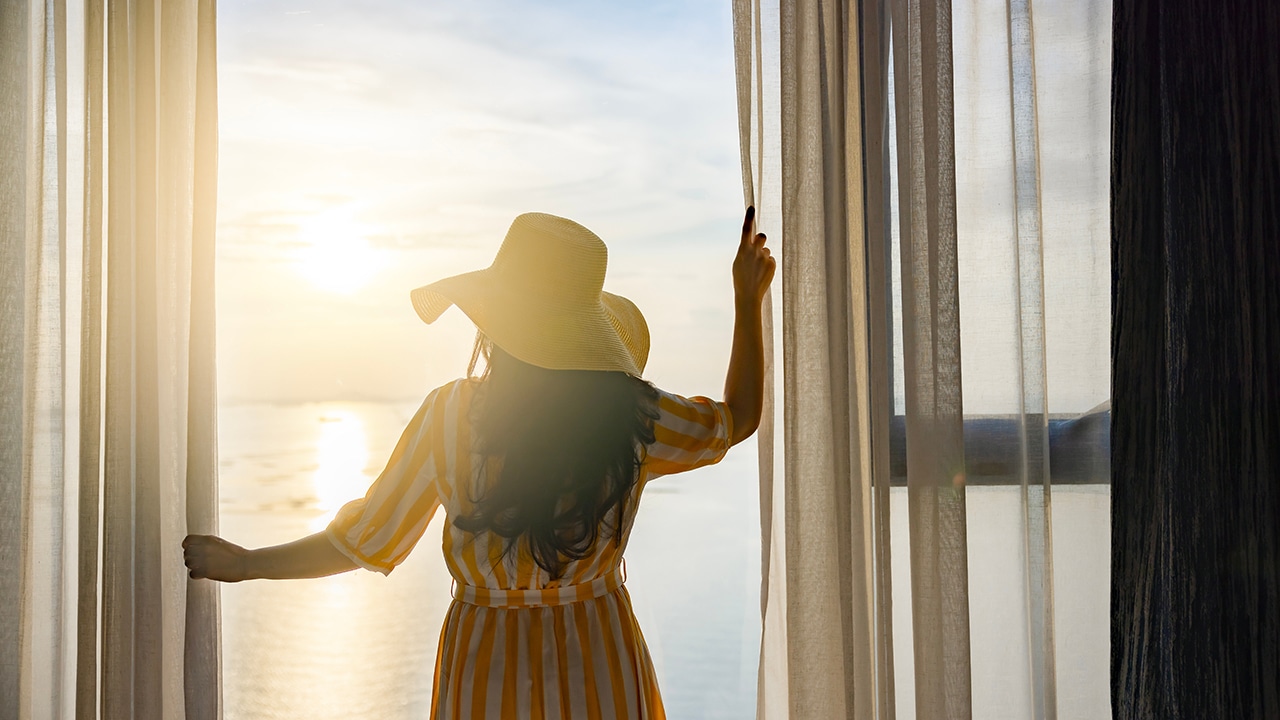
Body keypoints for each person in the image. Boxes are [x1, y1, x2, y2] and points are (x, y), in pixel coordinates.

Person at [183, 207, 774, 719]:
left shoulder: (452, 416)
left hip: (483, 664)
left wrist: (248, 564)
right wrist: (747, 300)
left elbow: (366, 539)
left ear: (497, 323)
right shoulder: (633, 418)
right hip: (600, 657)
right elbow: (736, 419)